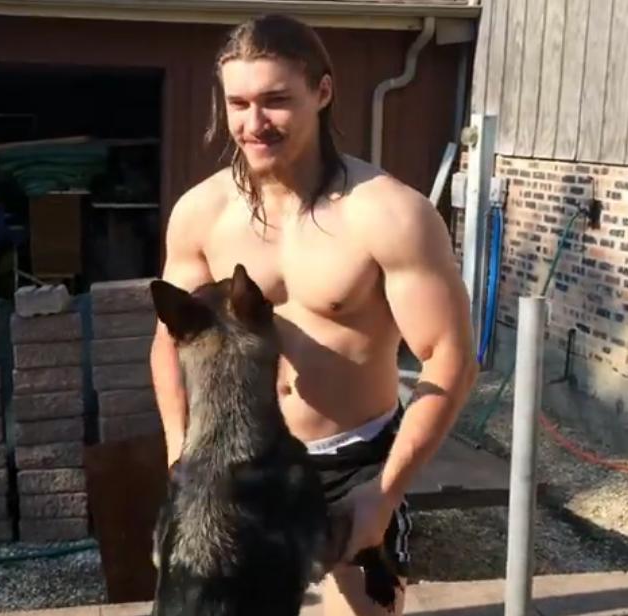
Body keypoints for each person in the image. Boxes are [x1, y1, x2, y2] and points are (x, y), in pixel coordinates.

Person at [150, 13, 478, 616]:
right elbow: (171, 340)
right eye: (239, 102)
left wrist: (385, 491)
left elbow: (449, 357)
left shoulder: (388, 215)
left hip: (352, 465)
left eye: (276, 100)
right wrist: (180, 456)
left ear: (322, 92)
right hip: (232, 469)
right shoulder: (201, 212)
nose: (254, 123)